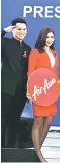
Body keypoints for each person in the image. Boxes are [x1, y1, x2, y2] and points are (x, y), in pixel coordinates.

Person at [27, 27, 59, 162]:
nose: (50, 40)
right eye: (47, 37)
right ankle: (39, 155)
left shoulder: (55, 53)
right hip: (39, 91)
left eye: (52, 37)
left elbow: (53, 73)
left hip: (51, 92)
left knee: (49, 121)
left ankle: (36, 151)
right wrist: (30, 90)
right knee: (38, 121)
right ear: (42, 38)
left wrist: (58, 84)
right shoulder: (35, 52)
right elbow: (30, 72)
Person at [1, 18, 31, 148]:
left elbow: (29, 72)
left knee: (14, 121)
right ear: (13, 29)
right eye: (18, 29)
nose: (22, 32)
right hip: (6, 89)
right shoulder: (5, 43)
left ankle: (10, 150)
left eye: (24, 29)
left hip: (20, 92)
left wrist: (27, 91)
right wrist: (3, 31)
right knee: (2, 121)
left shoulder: (27, 48)